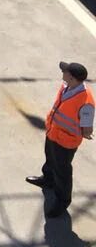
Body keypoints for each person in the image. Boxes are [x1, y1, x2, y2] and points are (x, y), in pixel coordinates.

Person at [28, 62, 94, 218]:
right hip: (53, 133)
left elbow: (87, 128)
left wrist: (85, 132)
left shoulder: (86, 103)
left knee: (62, 171)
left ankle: (62, 200)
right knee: (50, 159)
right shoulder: (66, 86)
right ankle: (48, 180)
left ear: (71, 77)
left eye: (65, 71)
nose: (62, 73)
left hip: (66, 142)